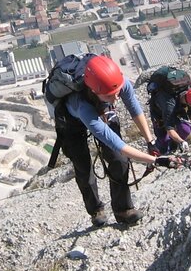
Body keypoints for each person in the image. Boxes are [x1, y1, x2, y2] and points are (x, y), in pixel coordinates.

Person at [53, 55, 179, 226]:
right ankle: (96, 210)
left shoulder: (117, 84)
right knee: (83, 167)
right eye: (109, 96)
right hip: (70, 123)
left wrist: (150, 142)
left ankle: (123, 210)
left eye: (117, 93)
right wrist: (156, 160)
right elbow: (118, 145)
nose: (116, 98)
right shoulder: (81, 106)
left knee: (119, 161)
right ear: (94, 91)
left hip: (100, 107)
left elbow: (135, 111)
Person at [149, 71, 191, 150]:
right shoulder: (169, 105)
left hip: (178, 108)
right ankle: (157, 154)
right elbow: (169, 129)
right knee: (164, 141)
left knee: (185, 129)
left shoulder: (189, 95)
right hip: (159, 113)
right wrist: (182, 141)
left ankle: (174, 145)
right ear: (189, 103)